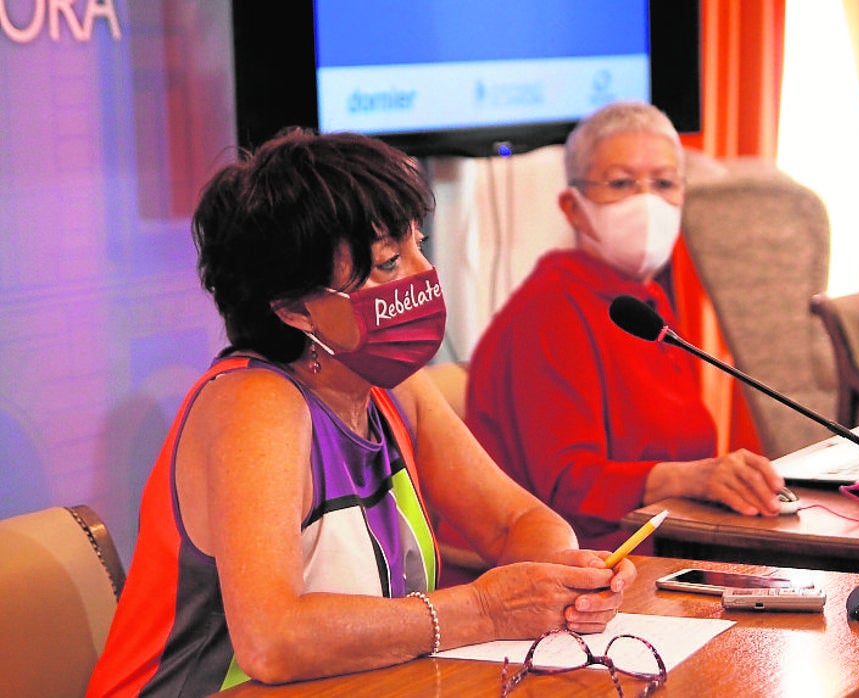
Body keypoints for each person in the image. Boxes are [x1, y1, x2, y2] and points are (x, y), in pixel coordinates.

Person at [86, 130, 635, 696]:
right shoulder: (254, 405)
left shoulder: (396, 388)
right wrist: (486, 610)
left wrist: (566, 578)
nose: (423, 275)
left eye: (419, 244)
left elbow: (512, 523)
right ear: (297, 309)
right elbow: (273, 640)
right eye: (390, 263)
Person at [464, 101, 786, 552]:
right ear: (572, 208)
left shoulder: (644, 304)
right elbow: (568, 487)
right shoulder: (549, 309)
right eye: (620, 183)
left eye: (664, 183)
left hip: (673, 547)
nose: (646, 202)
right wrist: (693, 477)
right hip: (576, 570)